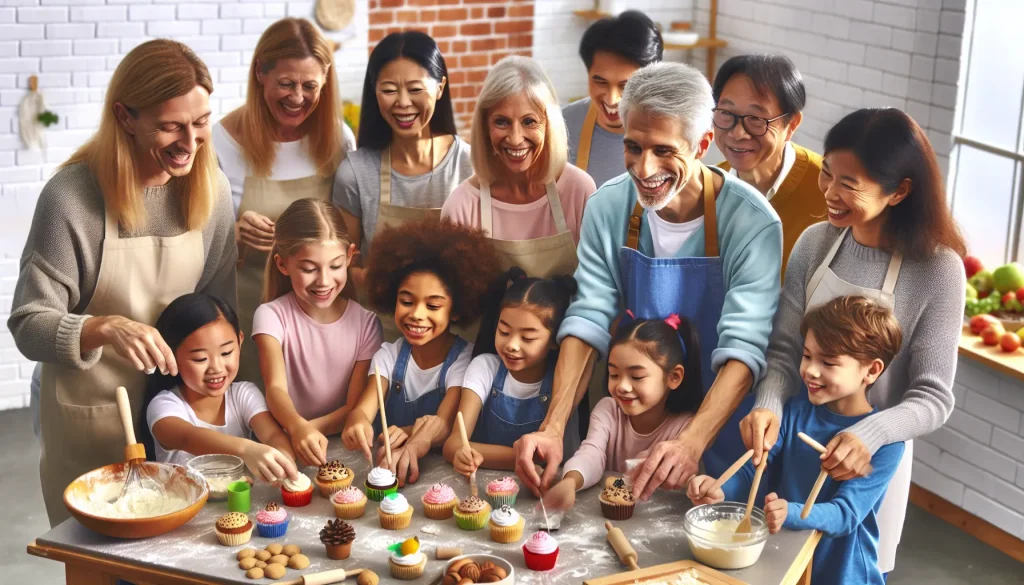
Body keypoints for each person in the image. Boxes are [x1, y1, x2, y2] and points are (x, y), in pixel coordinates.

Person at [512, 62, 783, 500]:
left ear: (703, 144)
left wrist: (690, 444)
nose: (644, 167)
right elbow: (589, 320)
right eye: (633, 147)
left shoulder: (752, 223)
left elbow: (744, 347)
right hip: (631, 429)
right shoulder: (609, 206)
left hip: (718, 441)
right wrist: (554, 427)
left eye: (663, 150)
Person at [9, 40, 237, 526]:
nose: (191, 143)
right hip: (94, 416)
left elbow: (221, 307)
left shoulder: (210, 187)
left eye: (200, 124)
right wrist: (104, 327)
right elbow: (29, 323)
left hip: (183, 414)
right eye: (171, 126)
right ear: (125, 116)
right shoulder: (72, 197)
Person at [740, 108, 966, 576]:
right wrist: (769, 406)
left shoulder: (938, 270)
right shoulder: (815, 242)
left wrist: (871, 434)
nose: (829, 193)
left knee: (855, 569)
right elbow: (784, 351)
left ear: (900, 190)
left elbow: (933, 397)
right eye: (827, 174)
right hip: (795, 441)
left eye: (849, 183)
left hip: (872, 457)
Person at [689, 296, 905, 585]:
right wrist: (720, 490)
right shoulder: (792, 412)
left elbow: (846, 514)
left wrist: (790, 513)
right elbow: (754, 468)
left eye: (828, 362)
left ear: (872, 370)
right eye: (807, 355)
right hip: (787, 561)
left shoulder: (886, 445)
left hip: (841, 573)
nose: (810, 371)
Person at [214, 18, 352, 386]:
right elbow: (197, 242)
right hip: (248, 308)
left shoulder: (338, 139)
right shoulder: (221, 142)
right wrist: (234, 232)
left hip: (322, 312)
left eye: (310, 86)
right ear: (260, 72)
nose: (297, 98)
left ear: (326, 80)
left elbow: (351, 228)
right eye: (286, 84)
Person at [341, 218, 501, 486]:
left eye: (433, 306)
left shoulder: (464, 360)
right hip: (384, 469)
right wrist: (357, 425)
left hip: (443, 477)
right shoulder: (388, 356)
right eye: (406, 301)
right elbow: (362, 412)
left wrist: (408, 437)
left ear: (458, 309)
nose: (416, 314)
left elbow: (443, 423)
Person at [334, 31, 471, 295]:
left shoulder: (470, 165)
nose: (403, 103)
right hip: (380, 328)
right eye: (388, 90)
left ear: (440, 87)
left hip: (457, 326)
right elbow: (345, 260)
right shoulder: (354, 173)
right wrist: (357, 275)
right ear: (374, 92)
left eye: (415, 89)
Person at [253, 199, 382, 466]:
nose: (323, 280)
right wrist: (297, 428)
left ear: (349, 257)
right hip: (288, 444)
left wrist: (309, 430)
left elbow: (354, 406)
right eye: (309, 269)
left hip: (347, 449)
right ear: (282, 264)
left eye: (335, 266)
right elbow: (275, 388)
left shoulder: (367, 323)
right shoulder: (270, 316)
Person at [442, 56, 595, 280]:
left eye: (529, 122)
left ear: (549, 124)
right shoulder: (461, 208)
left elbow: (597, 289)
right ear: (484, 127)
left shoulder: (580, 191)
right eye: (501, 122)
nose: (515, 139)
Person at [542, 316, 701, 510]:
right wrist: (570, 481)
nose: (623, 386)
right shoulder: (608, 411)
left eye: (636, 376)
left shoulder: (687, 428)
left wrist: (700, 486)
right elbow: (591, 454)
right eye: (614, 375)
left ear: (674, 377)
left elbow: (688, 479)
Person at [144, 293, 298, 484]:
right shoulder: (164, 405)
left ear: (240, 342)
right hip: (184, 509)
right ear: (168, 354)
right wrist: (247, 450)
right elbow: (188, 437)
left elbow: (273, 435)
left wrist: (283, 461)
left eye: (226, 353)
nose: (216, 368)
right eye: (200, 358)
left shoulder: (243, 394)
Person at [443, 268, 579, 474]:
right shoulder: (484, 368)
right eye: (504, 332)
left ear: (554, 341)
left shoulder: (561, 381)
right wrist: (522, 458)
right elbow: (453, 445)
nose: (512, 345)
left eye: (527, 338)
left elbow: (558, 456)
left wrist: (480, 453)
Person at [713, 54, 826, 276]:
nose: (737, 133)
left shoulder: (828, 189)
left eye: (756, 119)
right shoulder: (707, 187)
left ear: (791, 124)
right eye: (726, 113)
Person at [563, 10, 663, 189]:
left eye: (626, 86)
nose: (612, 98)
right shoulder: (563, 125)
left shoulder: (673, 131)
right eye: (600, 82)